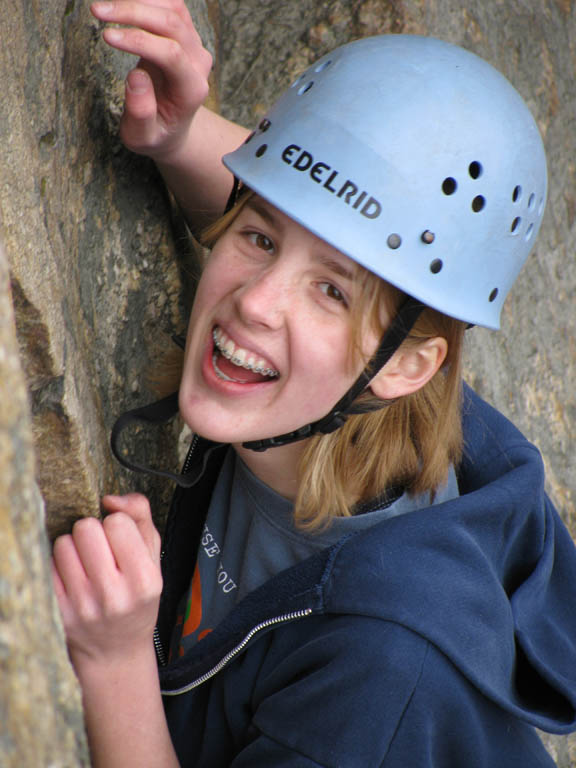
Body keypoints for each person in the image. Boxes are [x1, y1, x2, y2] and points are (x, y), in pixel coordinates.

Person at [51, 2, 576, 766]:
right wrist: (182, 134)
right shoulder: (356, 387)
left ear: (406, 366)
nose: (256, 303)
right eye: (259, 238)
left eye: (332, 293)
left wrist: (113, 664)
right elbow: (304, 224)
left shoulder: (384, 667)